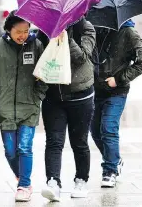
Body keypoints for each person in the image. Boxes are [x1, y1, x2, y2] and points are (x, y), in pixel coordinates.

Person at [0, 11, 48, 202]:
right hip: (4, 108)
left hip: (28, 106)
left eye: (26, 31)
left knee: (24, 147)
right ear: (9, 30)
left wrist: (38, 95)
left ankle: (24, 185)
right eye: (19, 31)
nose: (23, 35)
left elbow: (46, 72)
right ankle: (22, 178)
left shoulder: (36, 45)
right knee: (10, 151)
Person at [36, 16, 96, 201]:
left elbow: (81, 58)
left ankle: (81, 180)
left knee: (79, 141)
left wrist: (66, 36)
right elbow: (40, 54)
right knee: (54, 141)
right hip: (54, 95)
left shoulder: (86, 28)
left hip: (81, 94)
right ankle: (53, 182)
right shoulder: (47, 27)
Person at [91, 19, 142, 187]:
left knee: (108, 127)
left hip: (116, 91)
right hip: (94, 89)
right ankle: (115, 159)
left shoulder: (128, 33)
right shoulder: (93, 28)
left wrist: (118, 79)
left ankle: (110, 170)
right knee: (95, 131)